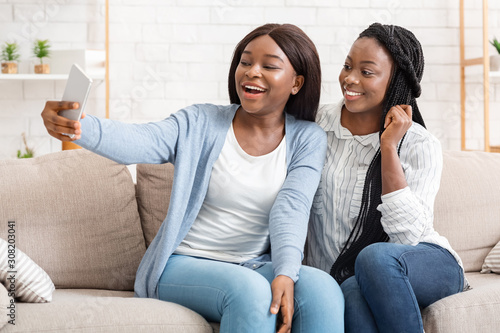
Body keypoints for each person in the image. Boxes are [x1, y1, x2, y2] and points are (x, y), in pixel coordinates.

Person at [41, 23, 344, 333]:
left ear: (296, 83)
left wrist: (285, 272)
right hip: (182, 263)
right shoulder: (200, 122)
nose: (252, 72)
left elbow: (292, 208)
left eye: (269, 66)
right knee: (249, 291)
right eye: (245, 61)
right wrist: (81, 127)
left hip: (251, 263)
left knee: (323, 291)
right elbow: (140, 139)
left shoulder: (308, 138)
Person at [305, 23, 467, 333]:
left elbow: (407, 237)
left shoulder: (419, 143)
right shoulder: (315, 126)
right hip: (349, 275)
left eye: (367, 72)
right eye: (348, 66)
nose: (350, 79)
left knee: (374, 258)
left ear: (395, 81)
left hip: (424, 263)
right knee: (351, 290)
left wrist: (389, 146)